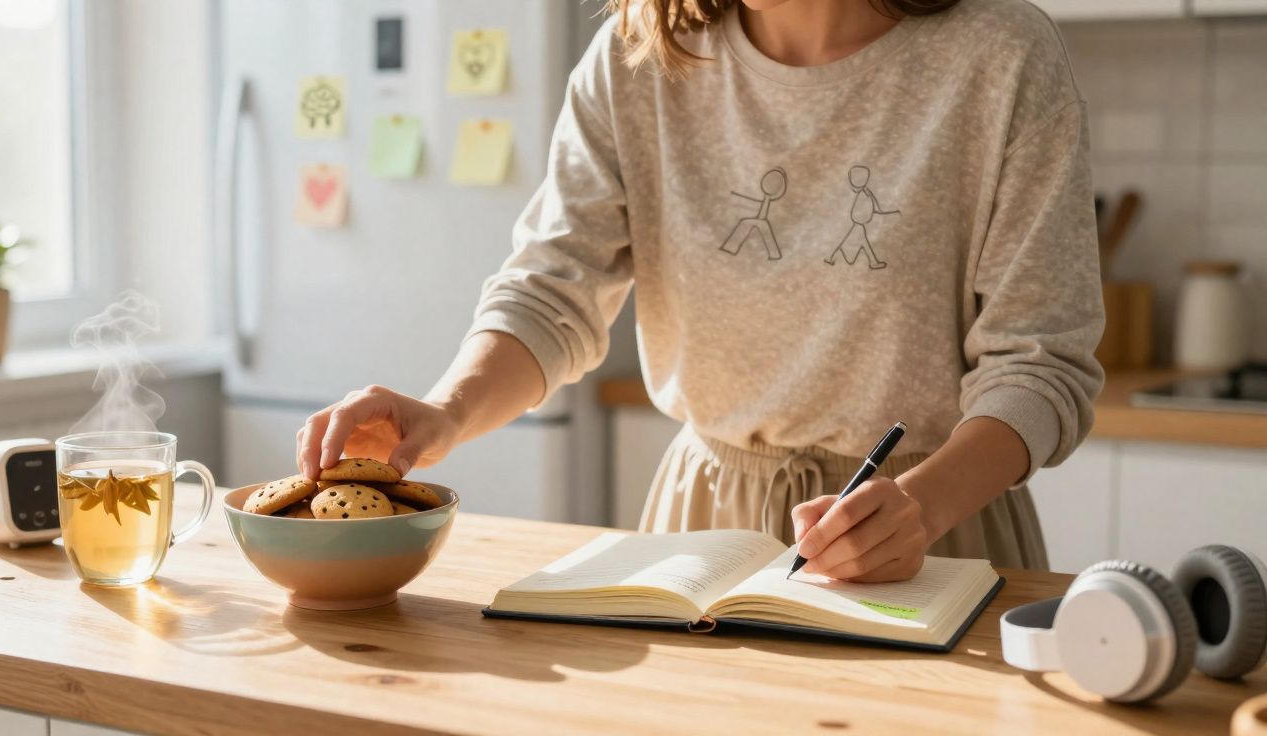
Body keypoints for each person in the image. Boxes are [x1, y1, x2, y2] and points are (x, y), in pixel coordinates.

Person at [297, 0, 1104, 583]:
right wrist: (447, 409)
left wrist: (920, 508)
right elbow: (551, 293)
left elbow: (1040, 366)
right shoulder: (634, 58)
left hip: (930, 538)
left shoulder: (1002, 56)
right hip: (702, 534)